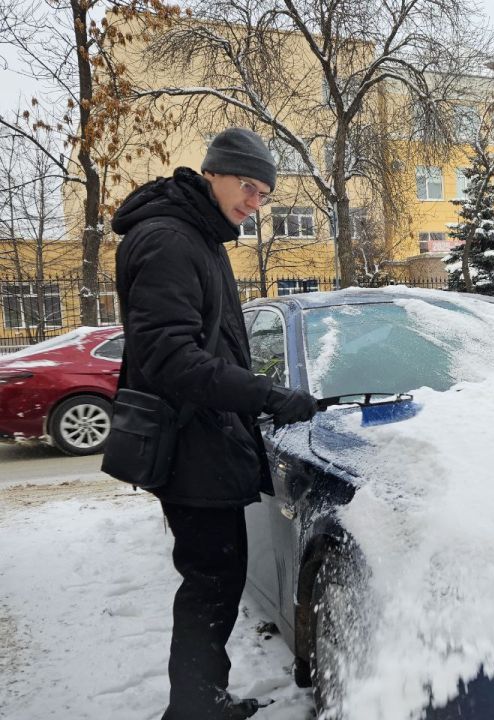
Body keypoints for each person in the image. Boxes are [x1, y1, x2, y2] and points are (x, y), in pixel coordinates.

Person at [112, 128, 321, 720]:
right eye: (247, 186)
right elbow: (170, 357)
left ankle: (200, 699)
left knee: (216, 580)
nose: (255, 202)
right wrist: (266, 394)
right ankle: (193, 709)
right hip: (190, 441)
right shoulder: (170, 240)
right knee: (210, 581)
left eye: (264, 194)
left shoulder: (198, 236)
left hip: (203, 437)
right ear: (212, 173)